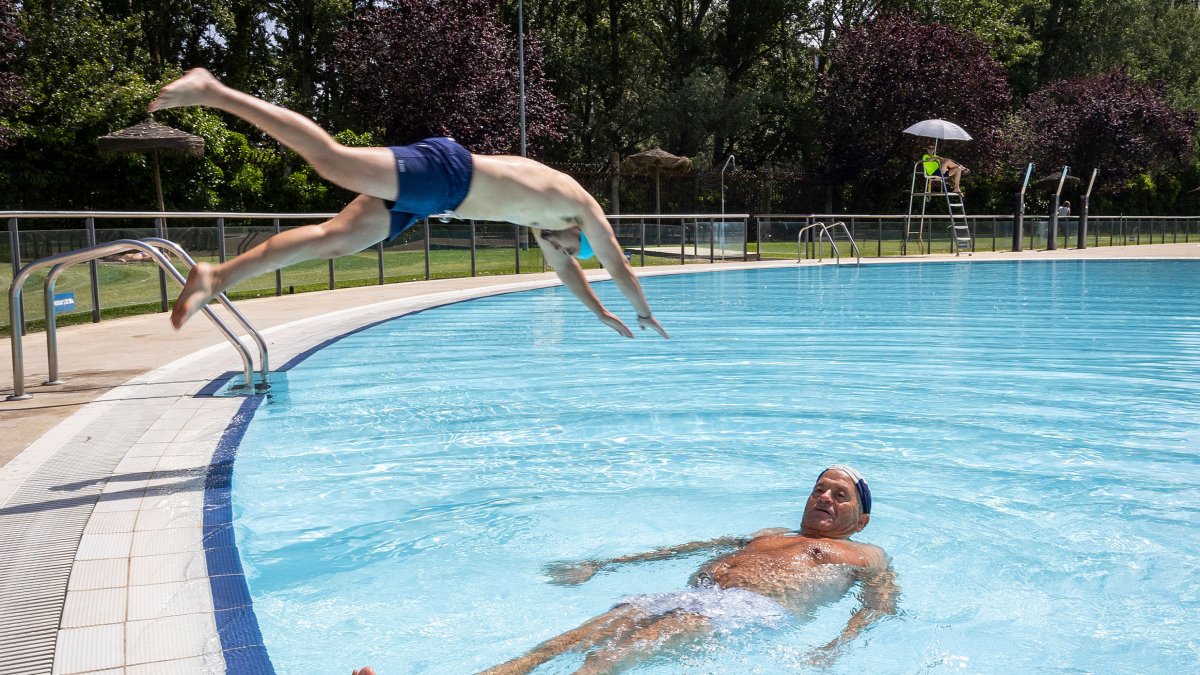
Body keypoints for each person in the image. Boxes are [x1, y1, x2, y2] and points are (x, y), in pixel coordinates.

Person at [148, 69, 668, 339]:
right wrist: (643, 311)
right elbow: (614, 262)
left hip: (435, 198)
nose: (558, 252)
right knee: (330, 160)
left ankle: (217, 277)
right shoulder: (580, 206)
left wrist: (603, 315)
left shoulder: (548, 230)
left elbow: (570, 275)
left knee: (337, 240)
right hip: (447, 173)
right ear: (579, 236)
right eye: (568, 248)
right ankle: (213, 91)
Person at [476, 465, 898, 674]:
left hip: (752, 611)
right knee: (580, 635)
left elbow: (879, 606)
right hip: (697, 598)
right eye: (818, 488)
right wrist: (602, 565)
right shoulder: (767, 532)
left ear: (860, 520)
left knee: (609, 656)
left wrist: (836, 647)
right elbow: (687, 549)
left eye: (839, 495)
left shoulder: (865, 554)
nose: (823, 496)